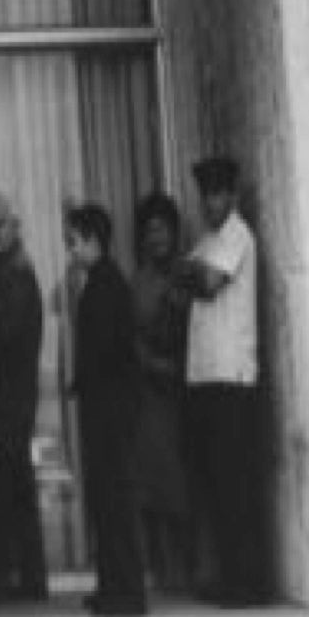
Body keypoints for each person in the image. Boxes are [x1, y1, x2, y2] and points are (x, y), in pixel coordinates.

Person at [179, 154, 269, 607]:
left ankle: (248, 582)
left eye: (217, 193)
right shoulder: (209, 238)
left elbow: (207, 282)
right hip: (208, 375)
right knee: (218, 482)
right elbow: (186, 273)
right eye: (205, 194)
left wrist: (191, 273)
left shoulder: (237, 236)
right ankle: (232, 575)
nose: (210, 202)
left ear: (232, 195)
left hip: (232, 374)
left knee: (236, 484)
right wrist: (190, 272)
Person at [67, 203, 145, 617]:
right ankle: (113, 584)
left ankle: (125, 590)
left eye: (75, 242)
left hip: (110, 409)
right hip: (107, 405)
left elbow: (107, 351)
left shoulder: (106, 285)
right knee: (106, 498)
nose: (71, 251)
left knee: (114, 498)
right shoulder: (102, 282)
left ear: (94, 240)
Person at [0, 191, 47, 607]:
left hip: (12, 397)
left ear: (16, 225)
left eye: (0, 224)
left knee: (2, 485)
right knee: (16, 485)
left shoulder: (17, 274)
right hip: (13, 395)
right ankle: (29, 577)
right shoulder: (8, 270)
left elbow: (5, 333)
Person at [129, 193, 194, 595]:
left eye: (163, 229)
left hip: (185, 387)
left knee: (184, 482)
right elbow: (132, 334)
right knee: (155, 481)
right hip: (151, 392)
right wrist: (150, 363)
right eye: (149, 231)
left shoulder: (187, 272)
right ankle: (164, 569)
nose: (157, 238)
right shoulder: (138, 280)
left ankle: (190, 567)